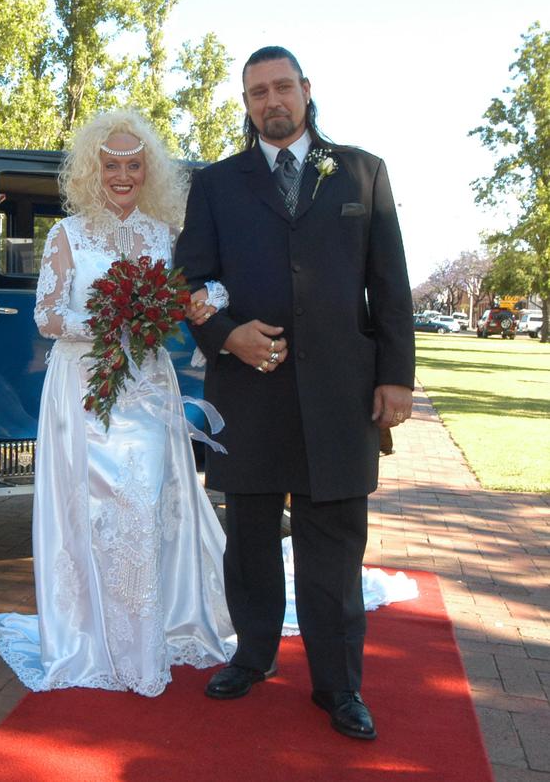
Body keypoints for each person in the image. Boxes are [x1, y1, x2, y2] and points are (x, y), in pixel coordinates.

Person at [175, 46, 415, 740]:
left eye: (282, 87)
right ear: (246, 104)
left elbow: (390, 284)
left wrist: (395, 376)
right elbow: (190, 280)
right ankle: (251, 658)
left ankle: (339, 685)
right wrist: (225, 335)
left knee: (334, 547)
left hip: (341, 394)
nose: (271, 101)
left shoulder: (362, 172)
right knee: (247, 537)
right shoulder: (217, 184)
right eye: (257, 93)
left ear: (306, 91)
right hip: (247, 391)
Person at [0, 109, 235, 697]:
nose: (122, 174)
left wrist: (200, 301)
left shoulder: (165, 234)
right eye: (111, 164)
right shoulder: (67, 233)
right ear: (93, 168)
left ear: (149, 170)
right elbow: (45, 314)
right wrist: (107, 320)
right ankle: (92, 633)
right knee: (89, 509)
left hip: (145, 385)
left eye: (133, 165)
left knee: (141, 496)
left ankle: (150, 632)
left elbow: (203, 288)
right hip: (82, 388)